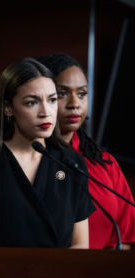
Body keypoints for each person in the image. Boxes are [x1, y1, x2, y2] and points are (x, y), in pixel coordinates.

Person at [0, 57, 95, 249]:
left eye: (52, 100)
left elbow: (80, 245)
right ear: (8, 108)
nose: (46, 112)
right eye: (32, 103)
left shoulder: (71, 162)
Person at [38, 53, 135, 249]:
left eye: (81, 93)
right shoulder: (23, 158)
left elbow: (125, 240)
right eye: (62, 94)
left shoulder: (104, 162)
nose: (75, 104)